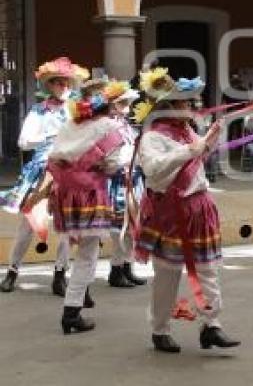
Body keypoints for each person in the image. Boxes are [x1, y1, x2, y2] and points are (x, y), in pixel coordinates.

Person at [134, 67, 239, 353]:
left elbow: (196, 161)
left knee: (208, 269)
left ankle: (211, 326)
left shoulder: (187, 131)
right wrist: (193, 150)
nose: (191, 107)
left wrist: (210, 141)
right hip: (171, 212)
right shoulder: (152, 138)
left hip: (198, 208)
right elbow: (154, 171)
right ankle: (159, 329)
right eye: (185, 103)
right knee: (167, 275)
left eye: (191, 102)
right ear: (168, 106)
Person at [0, 57, 86, 295]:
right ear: (50, 86)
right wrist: (50, 137)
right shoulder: (38, 111)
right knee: (28, 225)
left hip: (68, 172)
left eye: (67, 83)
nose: (63, 87)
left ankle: (60, 275)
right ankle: (12, 272)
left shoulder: (77, 112)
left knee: (66, 226)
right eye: (58, 83)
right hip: (41, 172)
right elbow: (23, 141)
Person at [48, 78, 127, 334]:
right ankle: (72, 312)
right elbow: (114, 163)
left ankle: (79, 298)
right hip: (90, 193)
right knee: (87, 254)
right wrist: (100, 166)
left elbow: (56, 156)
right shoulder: (108, 127)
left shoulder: (70, 124)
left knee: (77, 249)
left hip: (65, 193)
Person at [105, 80, 147, 289]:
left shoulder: (127, 126)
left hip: (134, 178)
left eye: (127, 103)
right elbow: (109, 157)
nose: (126, 108)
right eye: (122, 103)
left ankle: (127, 267)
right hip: (119, 179)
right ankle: (116, 269)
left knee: (133, 226)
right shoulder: (107, 126)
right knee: (119, 227)